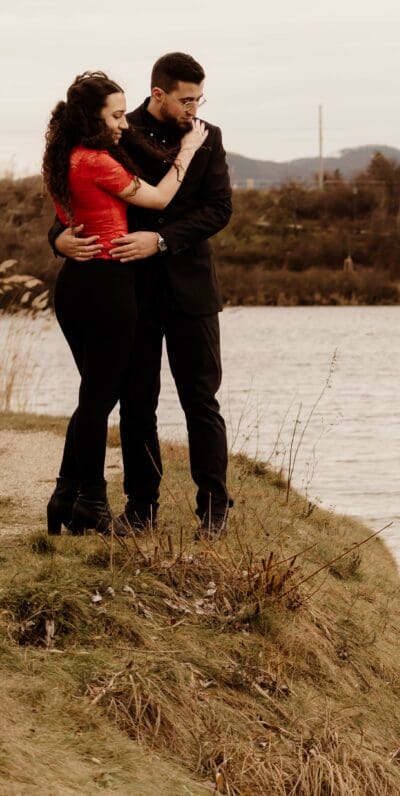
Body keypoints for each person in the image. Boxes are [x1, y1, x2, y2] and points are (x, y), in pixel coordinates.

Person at [52, 52, 233, 538]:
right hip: (130, 291)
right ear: (159, 94)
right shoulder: (116, 130)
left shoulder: (208, 138)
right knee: (137, 402)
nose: (194, 108)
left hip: (192, 290)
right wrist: (58, 239)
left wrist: (163, 239)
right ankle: (141, 507)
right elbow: (77, 195)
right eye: (186, 99)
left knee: (201, 399)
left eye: (199, 99)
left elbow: (219, 209)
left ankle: (214, 509)